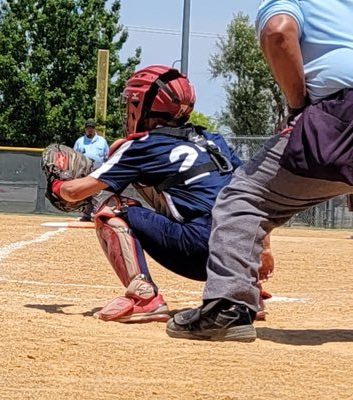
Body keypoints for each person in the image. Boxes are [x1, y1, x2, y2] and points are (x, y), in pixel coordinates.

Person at [166, 0, 353, 342]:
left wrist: (298, 107)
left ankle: (228, 306)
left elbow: (278, 31)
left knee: (244, 200)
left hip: (341, 115)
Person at [51, 65, 274, 323]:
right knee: (171, 187)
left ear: (143, 106)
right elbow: (253, 195)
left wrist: (58, 185)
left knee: (111, 208)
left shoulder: (142, 146)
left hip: (199, 253)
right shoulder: (214, 140)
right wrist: (264, 248)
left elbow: (73, 192)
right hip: (242, 255)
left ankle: (143, 297)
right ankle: (243, 293)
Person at [73, 119, 109, 221]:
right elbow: (75, 157)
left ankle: (96, 214)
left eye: (91, 128)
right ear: (85, 129)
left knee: (96, 192)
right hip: (83, 171)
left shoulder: (102, 141)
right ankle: (86, 214)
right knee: (84, 192)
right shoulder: (80, 141)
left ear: (95, 129)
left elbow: (107, 157)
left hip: (98, 170)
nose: (90, 130)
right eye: (88, 128)